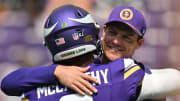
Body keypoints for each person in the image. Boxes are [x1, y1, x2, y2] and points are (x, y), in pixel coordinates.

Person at [1, 5, 180, 101]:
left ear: (140, 43)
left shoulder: (35, 91)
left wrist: (54, 72)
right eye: (112, 33)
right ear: (100, 32)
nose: (116, 41)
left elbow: (9, 84)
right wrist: (56, 72)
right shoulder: (128, 77)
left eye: (126, 37)